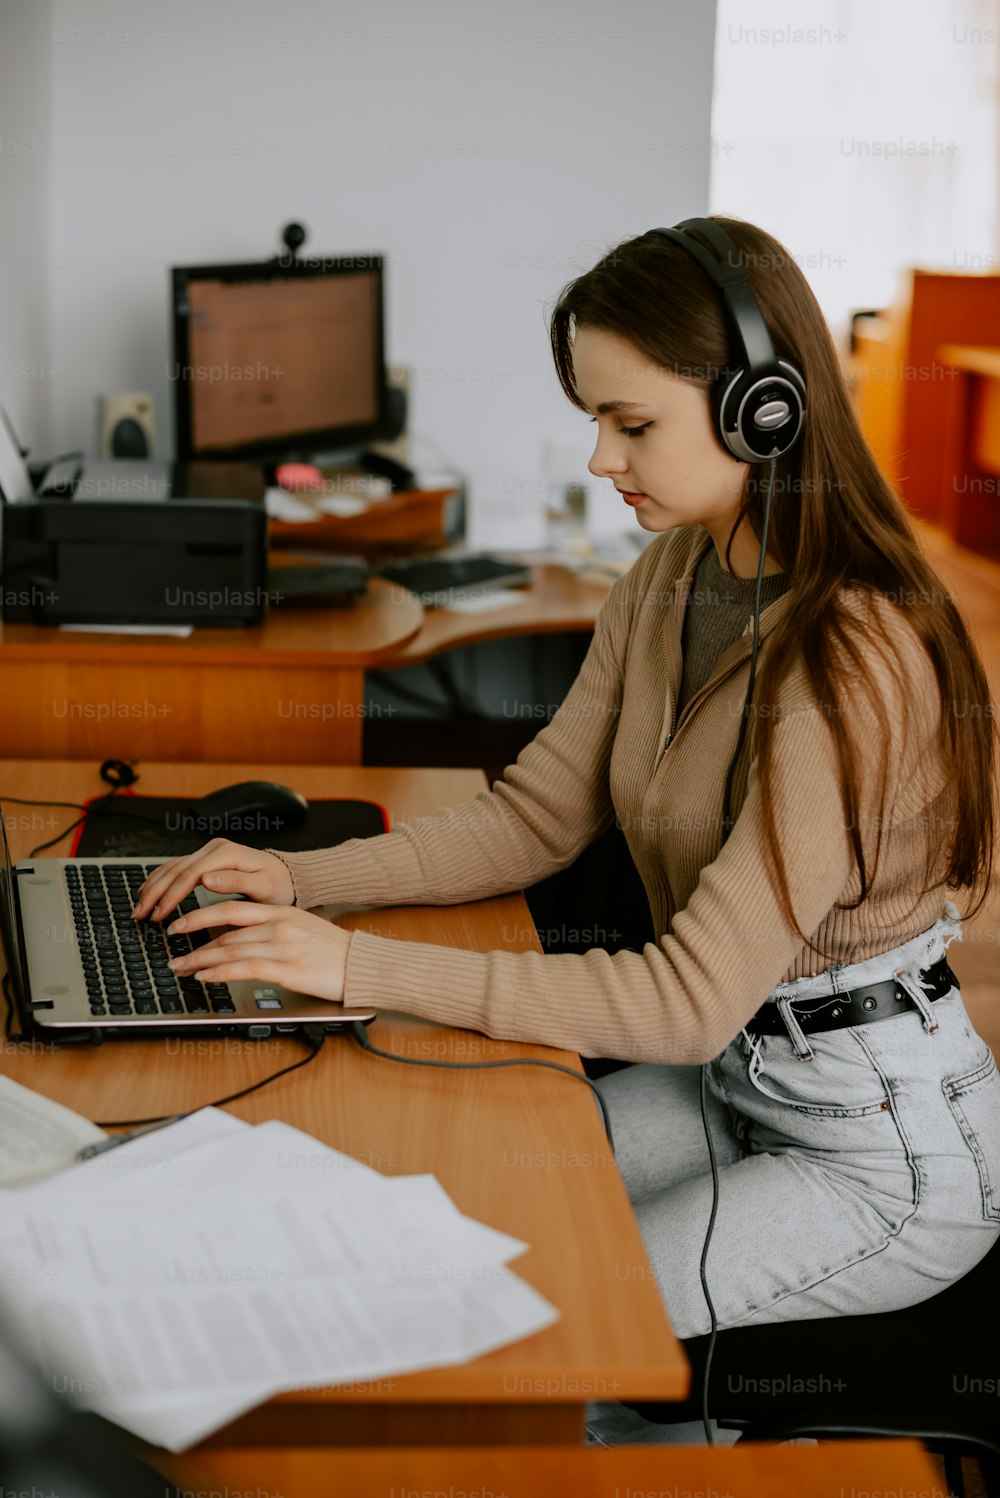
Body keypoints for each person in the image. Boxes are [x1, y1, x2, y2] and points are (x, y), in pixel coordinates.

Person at [133, 217, 1000, 1372]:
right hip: (740, 1072)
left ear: (763, 409)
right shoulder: (669, 575)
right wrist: (300, 878)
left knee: (522, 1328)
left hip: (876, 1142)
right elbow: (532, 818)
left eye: (630, 423)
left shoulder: (847, 659)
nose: (601, 459)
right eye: (596, 420)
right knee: (457, 1187)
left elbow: (685, 1000)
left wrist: (350, 966)